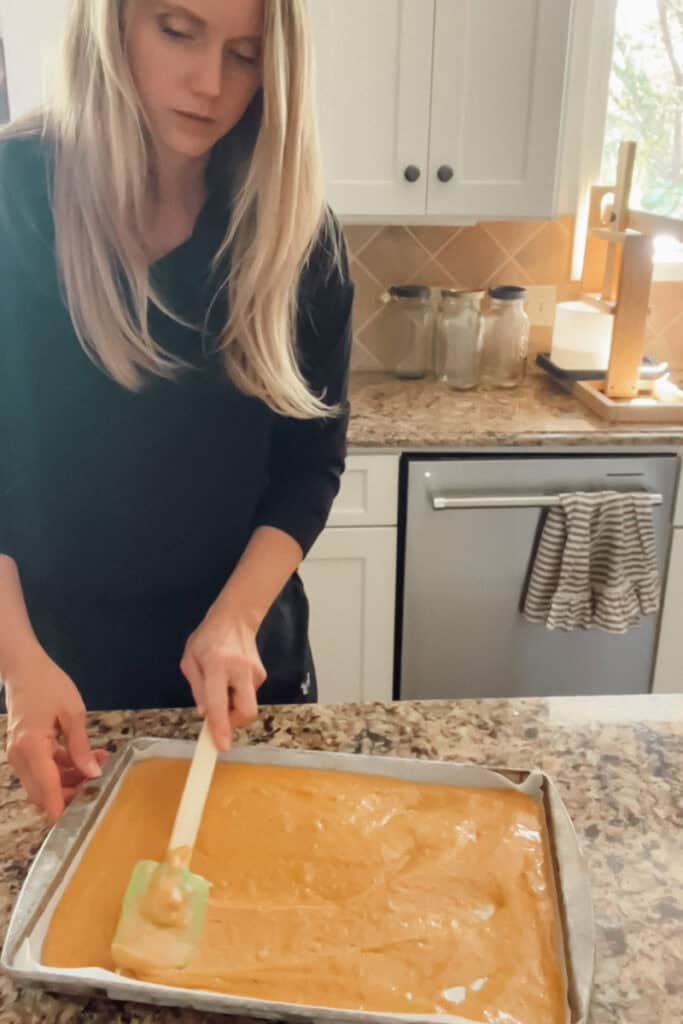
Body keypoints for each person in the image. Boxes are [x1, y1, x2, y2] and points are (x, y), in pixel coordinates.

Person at [0, 0, 353, 822]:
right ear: (112, 24)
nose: (209, 86)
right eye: (177, 30)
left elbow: (309, 467)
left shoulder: (293, 231)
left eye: (245, 54)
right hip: (57, 668)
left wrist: (233, 621)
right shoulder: (14, 200)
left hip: (240, 666)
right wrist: (19, 665)